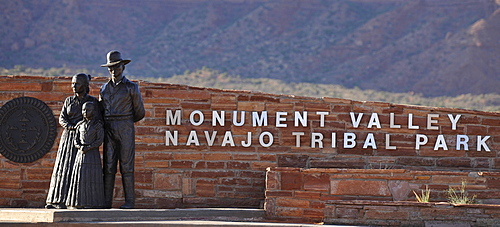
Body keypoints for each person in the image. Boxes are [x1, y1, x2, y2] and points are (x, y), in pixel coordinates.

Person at [99, 50, 145, 209]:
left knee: (126, 166)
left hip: (125, 127)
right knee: (109, 166)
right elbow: (101, 109)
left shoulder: (131, 87)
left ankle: (130, 202)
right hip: (109, 129)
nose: (113, 70)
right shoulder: (104, 88)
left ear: (123, 67)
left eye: (116, 67)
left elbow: (139, 112)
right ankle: (106, 203)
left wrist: (125, 122)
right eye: (110, 68)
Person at [46, 73, 98, 209]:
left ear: (85, 85)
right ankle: (57, 200)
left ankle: (77, 201)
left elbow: (97, 120)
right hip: (68, 137)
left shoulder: (93, 102)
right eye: (72, 83)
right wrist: (71, 126)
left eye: (77, 83)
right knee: (64, 167)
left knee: (80, 170)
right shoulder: (69, 100)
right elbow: (62, 118)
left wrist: (84, 130)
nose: (73, 86)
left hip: (84, 138)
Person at [66, 101, 105, 209]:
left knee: (92, 178)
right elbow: (76, 139)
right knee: (79, 178)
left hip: (92, 155)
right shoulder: (80, 125)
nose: (85, 112)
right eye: (83, 110)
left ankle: (93, 203)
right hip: (80, 155)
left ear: (94, 111)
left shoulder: (98, 126)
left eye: (88, 110)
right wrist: (80, 146)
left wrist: (89, 147)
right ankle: (77, 202)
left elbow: (99, 140)